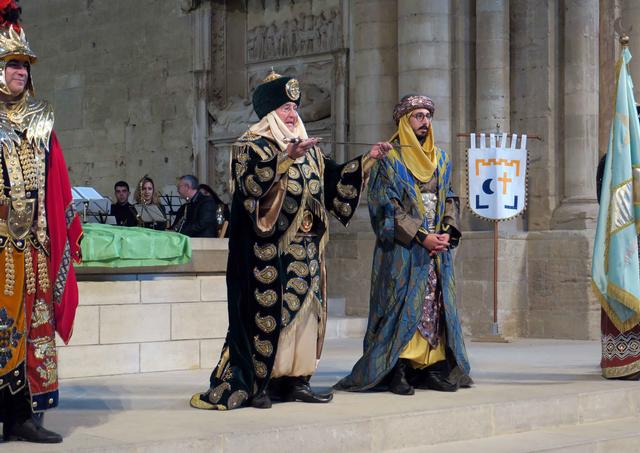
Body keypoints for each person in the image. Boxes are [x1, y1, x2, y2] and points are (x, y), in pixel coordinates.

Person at [190, 71, 390, 410]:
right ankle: (261, 383)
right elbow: (247, 190)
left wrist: (368, 158)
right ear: (270, 112)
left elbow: (333, 179)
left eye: (295, 107)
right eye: (285, 107)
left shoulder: (309, 149)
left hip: (308, 249)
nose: (292, 114)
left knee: (306, 318)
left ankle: (297, 380)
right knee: (271, 316)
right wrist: (284, 159)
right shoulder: (250, 145)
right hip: (267, 252)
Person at [335, 94, 471, 396]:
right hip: (403, 249)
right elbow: (385, 206)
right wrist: (422, 236)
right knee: (400, 304)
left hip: (436, 251)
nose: (425, 122)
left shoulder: (441, 158)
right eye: (418, 116)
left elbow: (450, 197)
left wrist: (446, 231)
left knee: (434, 305)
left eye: (428, 116)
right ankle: (397, 368)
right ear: (404, 121)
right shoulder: (389, 159)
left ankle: (430, 367)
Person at [0, 2, 82, 443]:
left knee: (33, 327)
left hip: (32, 244)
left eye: (25, 65)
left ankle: (21, 416)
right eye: (13, 64)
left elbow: (56, 180)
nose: (21, 72)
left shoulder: (41, 119)